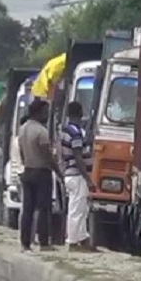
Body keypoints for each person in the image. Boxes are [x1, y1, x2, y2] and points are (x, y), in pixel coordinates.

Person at [17, 99, 61, 251]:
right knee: (43, 208)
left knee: (27, 208)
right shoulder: (41, 131)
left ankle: (25, 242)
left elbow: (22, 153)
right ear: (39, 112)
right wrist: (58, 170)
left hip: (28, 170)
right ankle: (43, 242)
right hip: (41, 172)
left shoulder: (22, 129)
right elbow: (47, 155)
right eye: (46, 112)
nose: (47, 115)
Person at [61, 101, 97, 251]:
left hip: (70, 174)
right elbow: (78, 157)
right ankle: (73, 241)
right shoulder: (75, 133)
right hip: (77, 174)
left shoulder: (65, 130)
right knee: (76, 209)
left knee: (82, 209)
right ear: (80, 113)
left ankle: (83, 238)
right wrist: (88, 179)